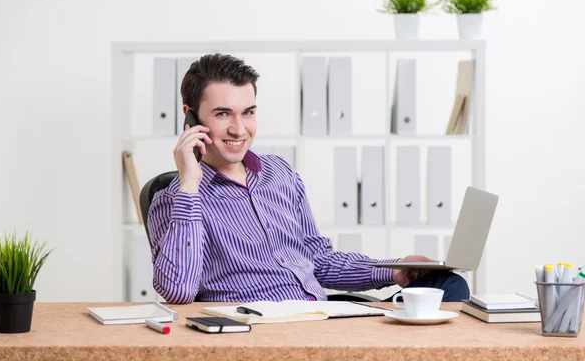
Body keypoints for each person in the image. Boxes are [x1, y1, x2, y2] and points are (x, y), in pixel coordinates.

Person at [148, 53, 469, 304]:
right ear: (191, 117)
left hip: (319, 313)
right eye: (222, 114)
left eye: (248, 112)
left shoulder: (279, 173)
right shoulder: (173, 199)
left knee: (448, 285)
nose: (239, 128)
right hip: (257, 329)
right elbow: (178, 292)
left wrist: (394, 267)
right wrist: (189, 184)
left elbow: (318, 260)